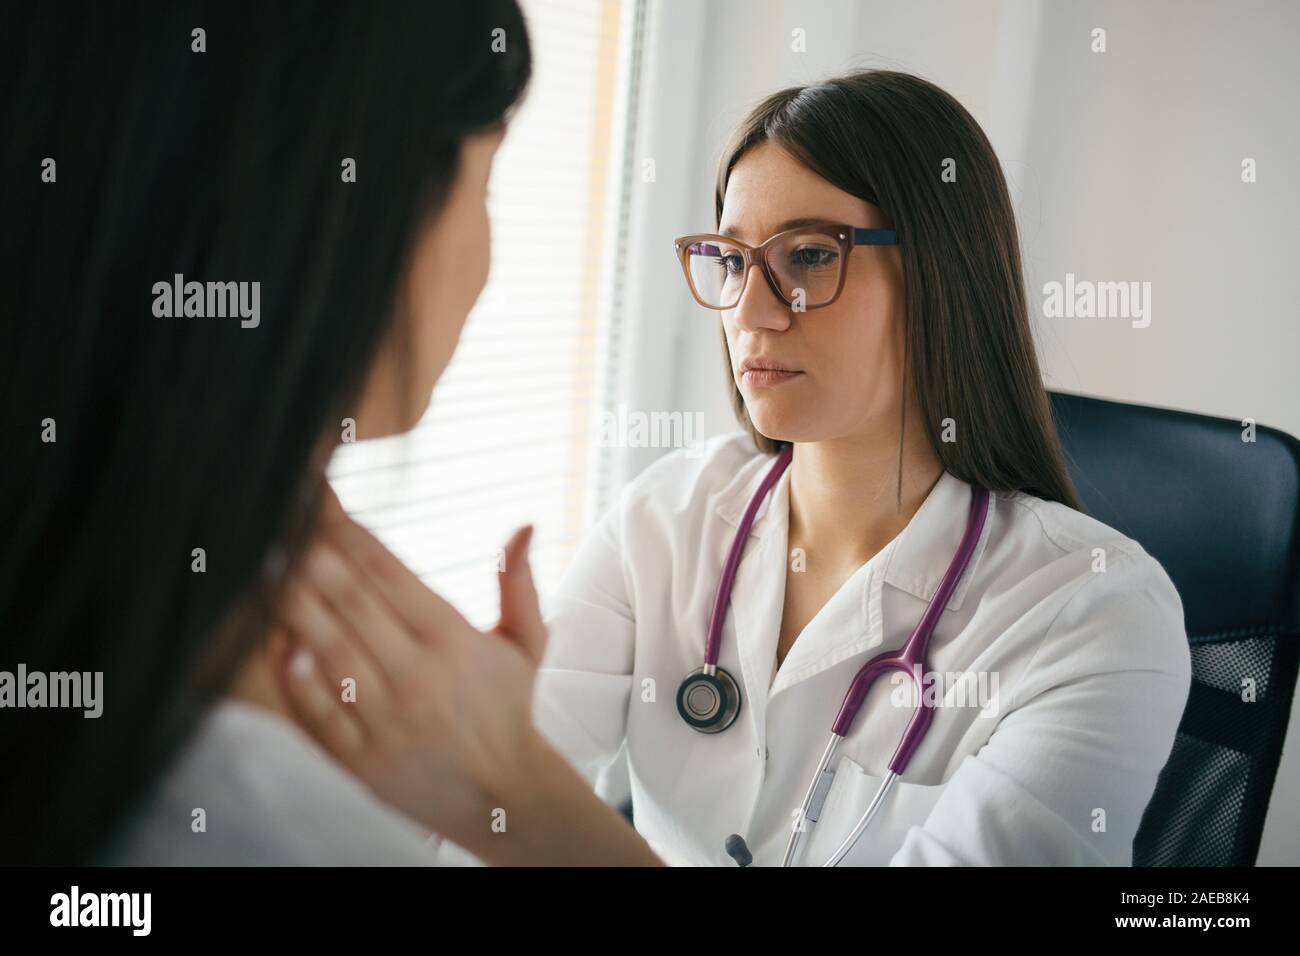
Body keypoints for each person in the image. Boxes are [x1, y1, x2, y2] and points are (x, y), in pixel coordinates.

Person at [273, 70, 1193, 866]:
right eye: (728, 258)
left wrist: (516, 796)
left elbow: (513, 795)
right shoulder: (667, 522)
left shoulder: (1098, 616)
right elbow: (485, 803)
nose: (751, 309)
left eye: (806, 256)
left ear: (945, 274)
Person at [0, 0, 659, 866]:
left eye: (809, 257)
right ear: (341, 217)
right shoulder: (258, 814)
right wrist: (516, 788)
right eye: (486, 179)